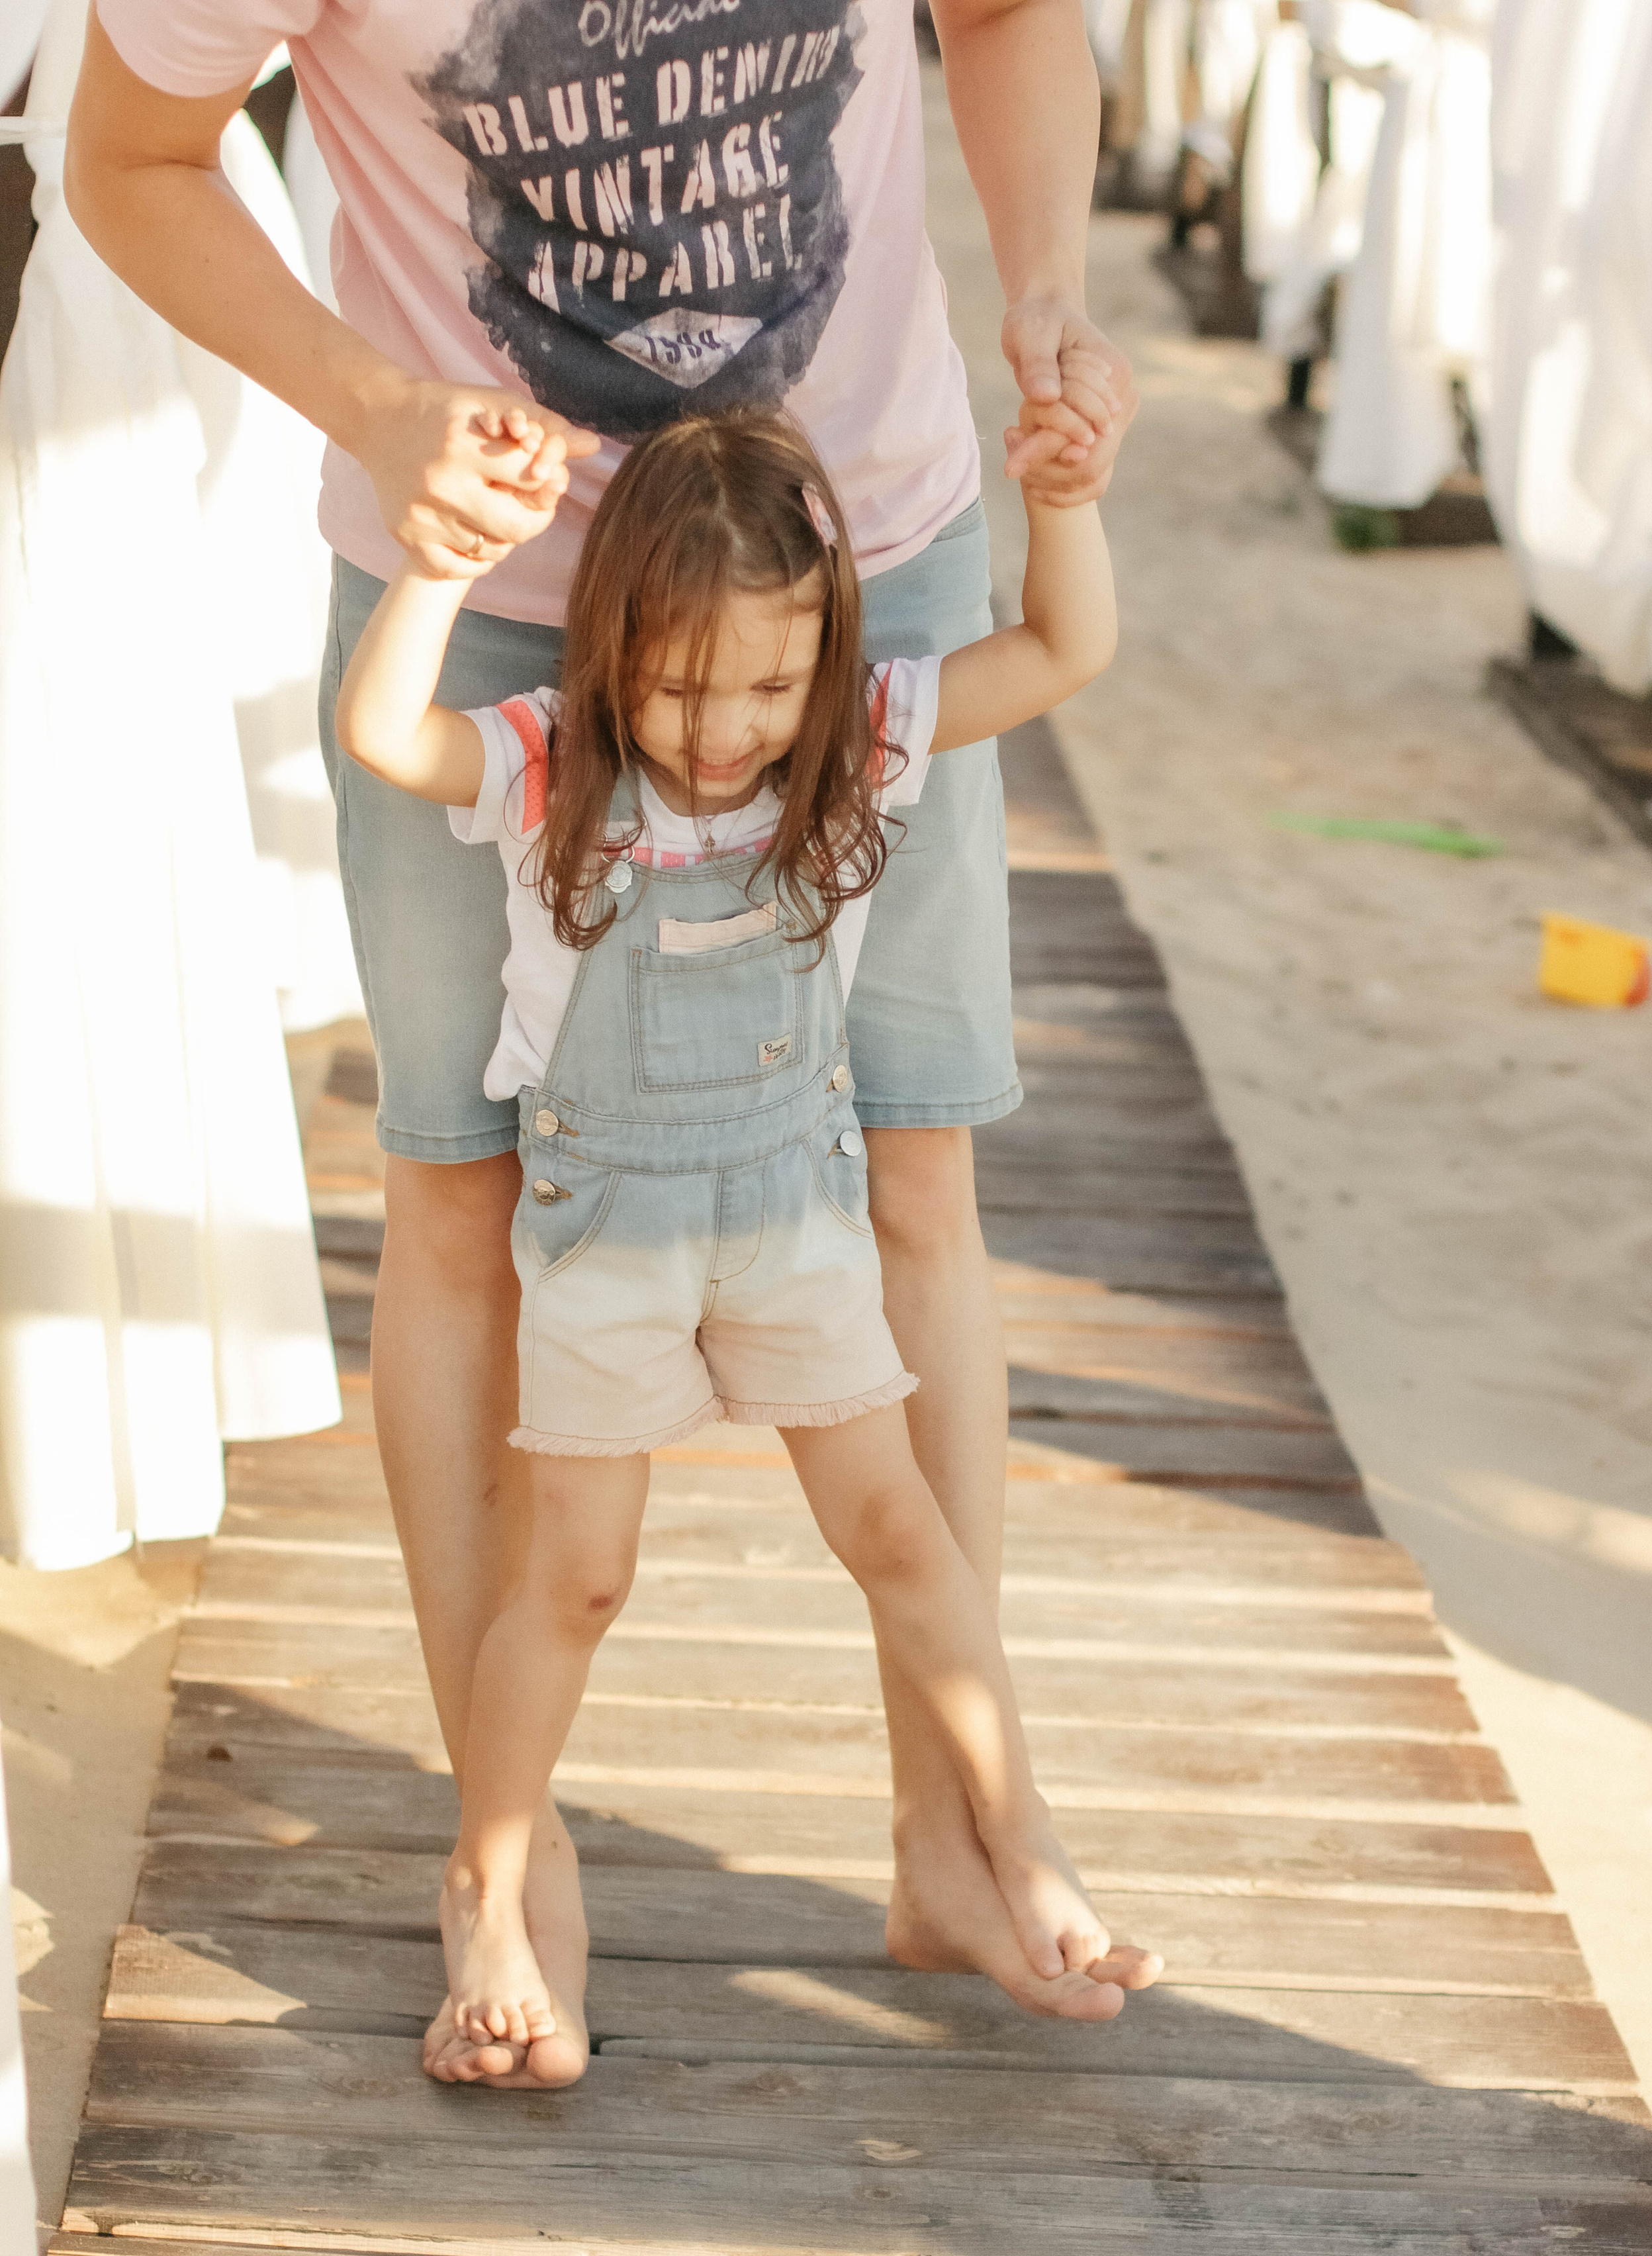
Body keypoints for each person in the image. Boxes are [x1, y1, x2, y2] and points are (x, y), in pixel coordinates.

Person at [66, 0, 1151, 2084]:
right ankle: (506, 1858)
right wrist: (378, 409)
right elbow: (131, 159)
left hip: (864, 570)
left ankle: (953, 1825)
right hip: (483, 595)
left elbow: (1014, 21)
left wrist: (1050, 298)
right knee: (461, 1192)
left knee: (915, 1156)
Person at [334, 406, 1158, 2069]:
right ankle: (493, 1882)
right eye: (681, 685)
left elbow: (1066, 646)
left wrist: (1060, 499)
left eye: (766, 689)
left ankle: (1014, 1836)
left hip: (797, 1236)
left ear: (828, 661)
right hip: (606, 1256)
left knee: (905, 1539)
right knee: (575, 1579)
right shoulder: (553, 762)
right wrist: (433, 568)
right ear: (607, 646)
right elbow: (383, 737)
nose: (723, 733)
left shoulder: (858, 744)